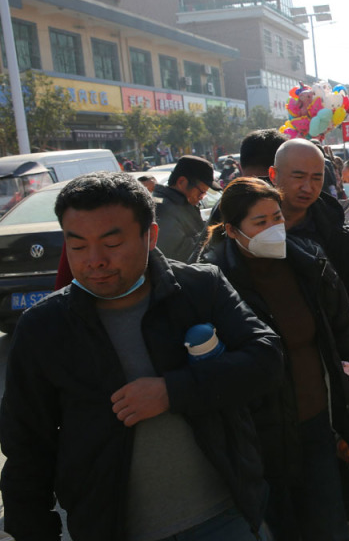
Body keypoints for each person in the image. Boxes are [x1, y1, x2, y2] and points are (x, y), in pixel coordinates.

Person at [0, 171, 282, 540]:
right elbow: (25, 444)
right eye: (78, 246)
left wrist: (173, 392)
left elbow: (266, 359)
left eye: (111, 243)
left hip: (224, 516)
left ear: (150, 236)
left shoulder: (200, 289)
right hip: (110, 527)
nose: (94, 260)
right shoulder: (45, 327)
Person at [198, 178, 349, 541]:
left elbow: (340, 320)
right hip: (260, 433)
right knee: (284, 527)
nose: (274, 229)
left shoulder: (307, 260)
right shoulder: (212, 283)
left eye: (277, 217)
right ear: (232, 230)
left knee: (330, 524)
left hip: (316, 419)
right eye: (260, 223)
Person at [269, 139, 349, 524]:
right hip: (275, 368)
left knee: (329, 446)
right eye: (297, 176)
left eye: (316, 178)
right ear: (274, 176)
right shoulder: (246, 217)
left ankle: (341, 506)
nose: (307, 187)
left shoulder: (327, 216)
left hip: (329, 356)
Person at [153, 155, 221, 262]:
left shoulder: (180, 203)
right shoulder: (162, 207)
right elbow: (177, 253)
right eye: (201, 192)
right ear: (181, 182)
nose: (202, 197)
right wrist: (213, 236)